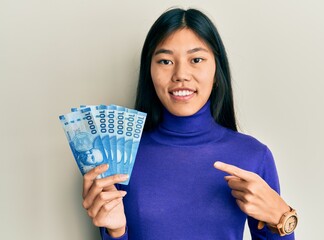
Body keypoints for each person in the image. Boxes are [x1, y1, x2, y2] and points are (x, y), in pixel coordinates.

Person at [81, 8, 297, 239]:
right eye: (165, 61)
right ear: (149, 73)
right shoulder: (119, 157)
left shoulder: (253, 155)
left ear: (217, 70)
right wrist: (115, 232)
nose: (181, 74)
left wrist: (282, 217)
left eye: (196, 59)